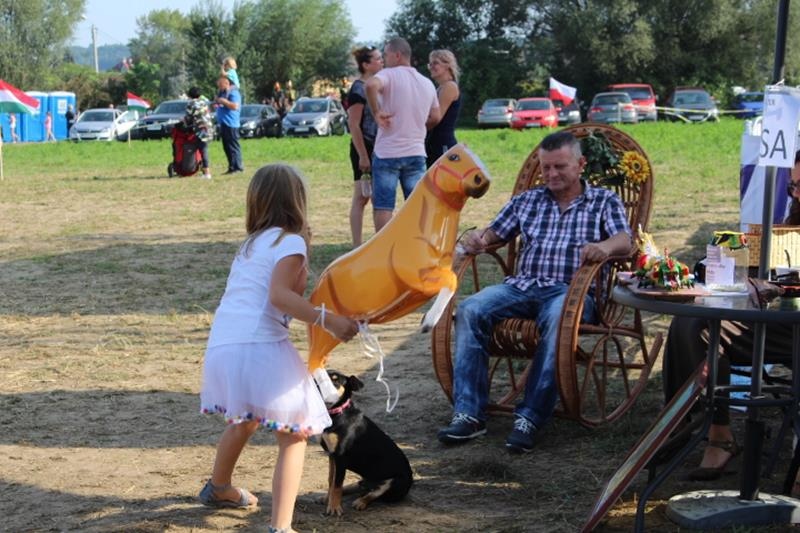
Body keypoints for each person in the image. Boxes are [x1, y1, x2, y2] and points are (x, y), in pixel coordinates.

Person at [437, 131, 633, 453]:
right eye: (546, 167)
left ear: (581, 164)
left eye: (560, 166)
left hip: (572, 293)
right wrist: (479, 239)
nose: (551, 174)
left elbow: (625, 241)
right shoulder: (527, 201)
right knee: (470, 309)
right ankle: (469, 414)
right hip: (523, 287)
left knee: (558, 318)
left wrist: (605, 246)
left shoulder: (603, 201)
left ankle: (529, 417)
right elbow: (494, 234)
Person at [198, 164, 359, 532]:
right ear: (296, 201)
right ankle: (281, 527)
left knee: (245, 420)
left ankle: (218, 487)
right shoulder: (290, 242)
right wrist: (329, 320)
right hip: (259, 346)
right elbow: (281, 297)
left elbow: (277, 293)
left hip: (224, 344)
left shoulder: (252, 244)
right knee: (296, 433)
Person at [661, 150, 800, 480]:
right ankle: (714, 431)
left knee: (702, 325)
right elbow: (777, 265)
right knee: (691, 322)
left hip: (793, 327)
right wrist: (741, 267)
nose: (796, 194)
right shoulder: (795, 219)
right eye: (793, 186)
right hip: (780, 321)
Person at [366, 36, 441, 233]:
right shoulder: (427, 83)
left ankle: (383, 245)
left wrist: (376, 112)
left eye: (386, 55)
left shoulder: (388, 75)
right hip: (416, 151)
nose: (384, 59)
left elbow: (370, 85)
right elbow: (436, 116)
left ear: (397, 55)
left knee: (383, 205)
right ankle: (417, 244)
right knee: (417, 205)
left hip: (387, 152)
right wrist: (417, 126)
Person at [347, 46, 383, 247]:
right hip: (364, 147)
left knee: (379, 197)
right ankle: (357, 245)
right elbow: (354, 124)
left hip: (380, 147)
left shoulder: (377, 85)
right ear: (366, 65)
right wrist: (363, 155)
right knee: (361, 197)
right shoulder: (358, 89)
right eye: (377, 59)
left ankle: (379, 241)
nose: (381, 61)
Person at [425, 49, 461, 168]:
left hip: (442, 145)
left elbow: (436, 118)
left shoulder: (449, 87)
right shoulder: (441, 87)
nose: (431, 67)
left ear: (448, 65)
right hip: (434, 144)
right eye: (430, 64)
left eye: (435, 63)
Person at [215, 75, 244, 174]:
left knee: (233, 146)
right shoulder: (223, 93)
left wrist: (224, 101)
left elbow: (235, 106)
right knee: (226, 147)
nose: (219, 88)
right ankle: (231, 166)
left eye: (220, 85)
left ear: (226, 83)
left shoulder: (234, 93)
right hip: (223, 123)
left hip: (231, 123)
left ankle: (238, 167)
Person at [184, 86, 214, 179]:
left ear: (189, 95)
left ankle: (207, 173)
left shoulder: (191, 103)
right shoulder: (204, 102)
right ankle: (202, 168)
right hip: (209, 128)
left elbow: (188, 118)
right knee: (202, 148)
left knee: (203, 150)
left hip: (201, 130)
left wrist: (184, 122)